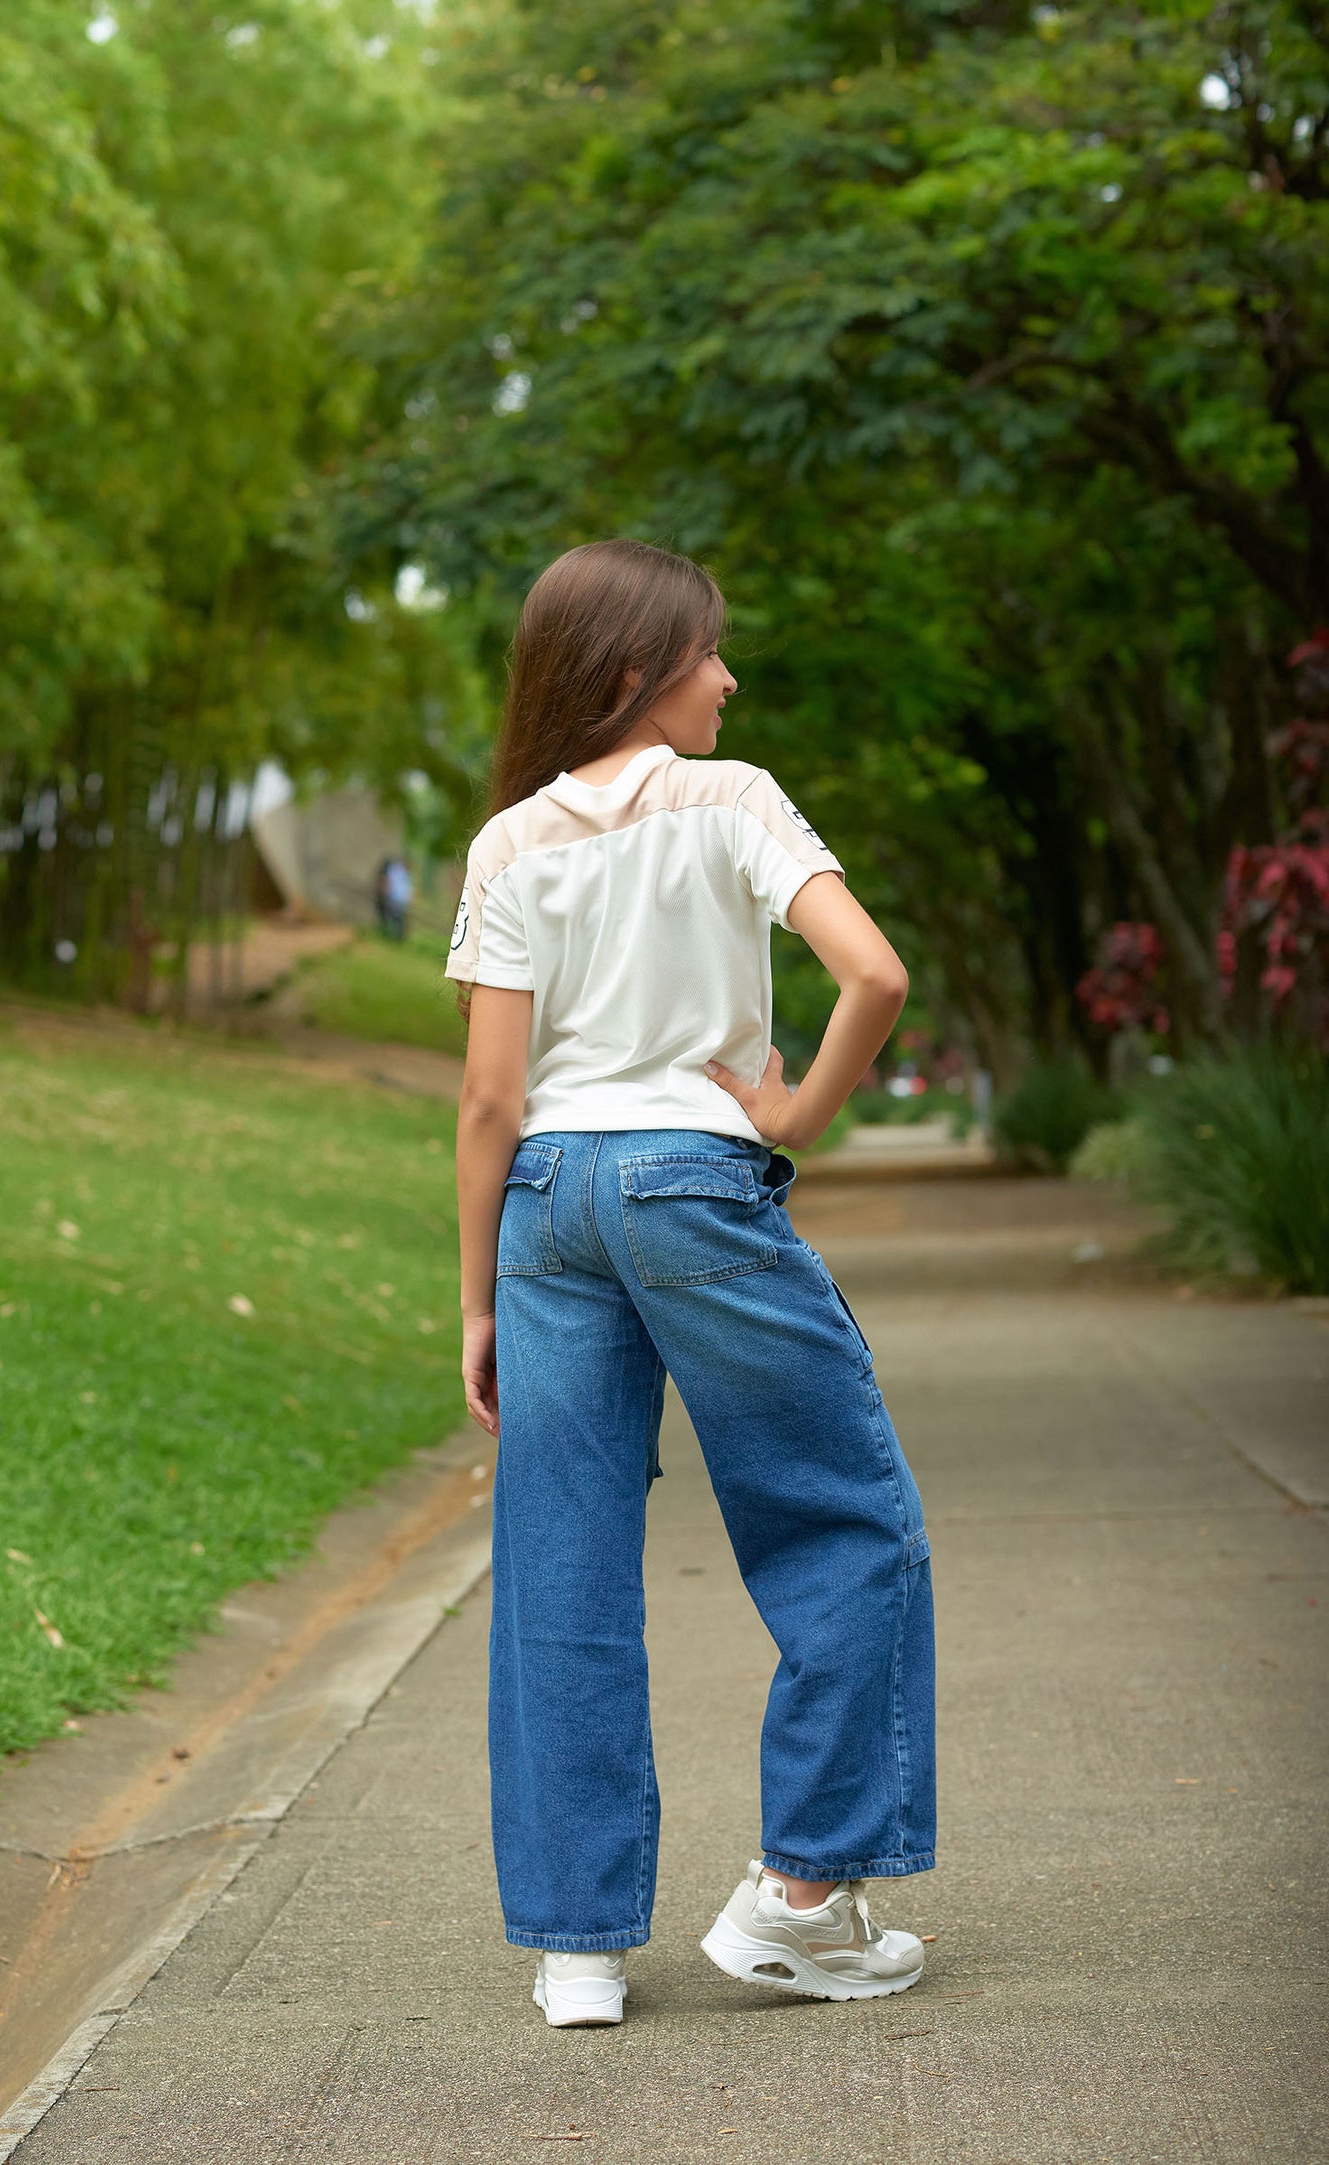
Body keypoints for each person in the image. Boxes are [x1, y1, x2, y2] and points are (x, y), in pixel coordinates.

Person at [445, 538, 935, 2029]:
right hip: (688, 1183)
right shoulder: (733, 799)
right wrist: (789, 1117)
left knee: (559, 1566)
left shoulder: (507, 841)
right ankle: (802, 1897)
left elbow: (487, 1099)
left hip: (547, 1207)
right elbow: (877, 976)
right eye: (707, 653)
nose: (727, 677)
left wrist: (473, 1302)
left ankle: (578, 1949)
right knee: (842, 1517)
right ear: (630, 675)